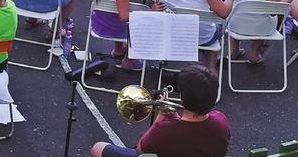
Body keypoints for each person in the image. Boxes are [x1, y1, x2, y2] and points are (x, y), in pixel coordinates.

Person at [90, 63, 231, 157]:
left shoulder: (164, 131)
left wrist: (160, 117)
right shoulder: (221, 120)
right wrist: (175, 118)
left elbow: (140, 151)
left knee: (97, 148)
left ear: (182, 96)